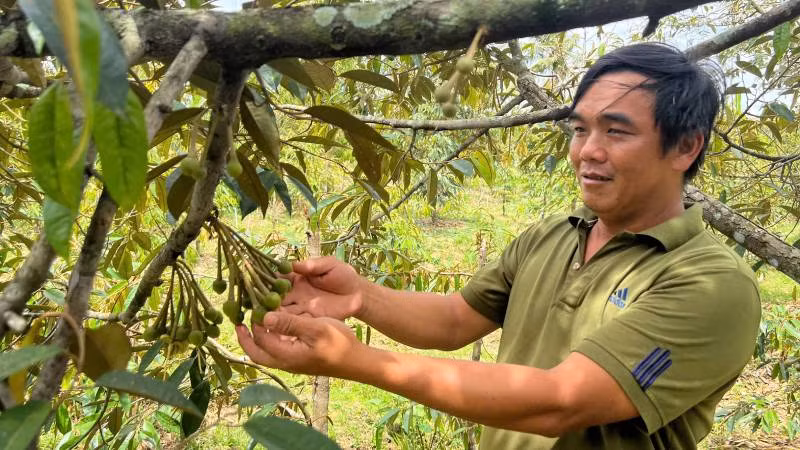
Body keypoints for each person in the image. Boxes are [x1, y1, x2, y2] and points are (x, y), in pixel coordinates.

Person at [236, 43, 761, 449]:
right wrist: (359, 296)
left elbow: (560, 402)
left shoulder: (711, 284)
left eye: (617, 132)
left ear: (686, 146)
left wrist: (359, 363)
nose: (587, 152)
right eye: (580, 129)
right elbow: (455, 321)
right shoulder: (554, 234)